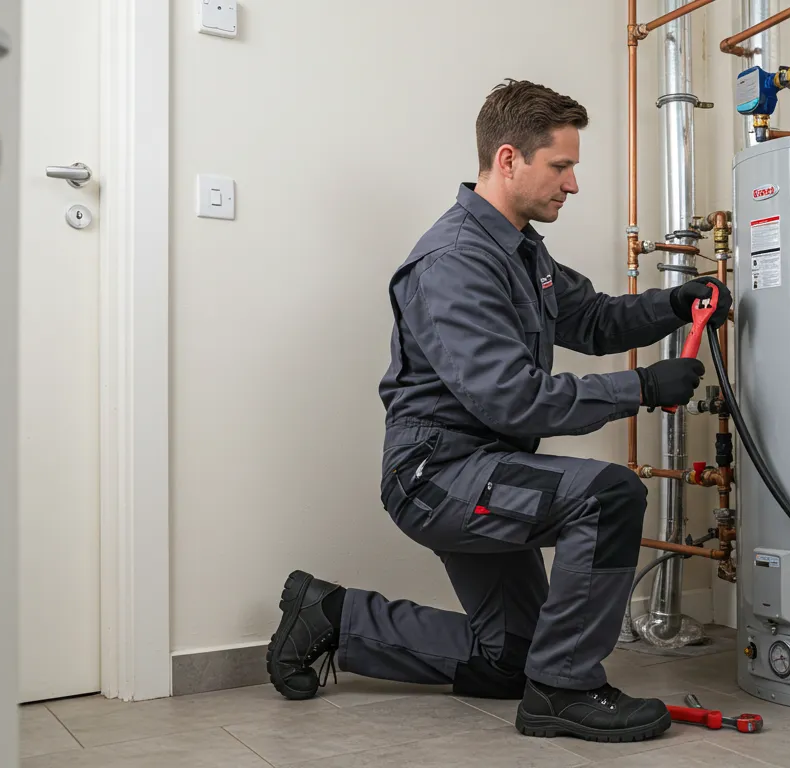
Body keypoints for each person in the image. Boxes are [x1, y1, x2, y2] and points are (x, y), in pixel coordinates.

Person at [265, 79, 732, 744]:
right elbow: (510, 396)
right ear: (509, 159)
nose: (572, 184)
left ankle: (332, 616)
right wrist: (642, 388)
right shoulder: (456, 258)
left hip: (486, 470)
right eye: (561, 166)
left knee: (509, 657)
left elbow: (594, 318)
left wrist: (673, 303)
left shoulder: (520, 249)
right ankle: (565, 691)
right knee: (608, 496)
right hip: (437, 476)